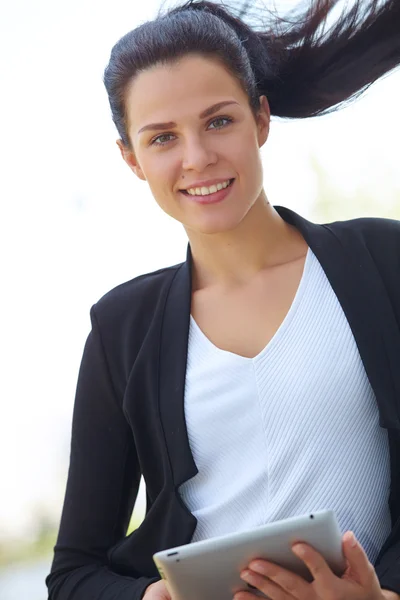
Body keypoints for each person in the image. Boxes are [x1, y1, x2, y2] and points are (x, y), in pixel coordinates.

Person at [46, 0, 400, 598]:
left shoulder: (383, 262)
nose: (197, 158)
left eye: (219, 122)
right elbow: (74, 573)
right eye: (162, 138)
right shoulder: (120, 329)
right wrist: (152, 597)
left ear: (261, 119)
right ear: (132, 159)